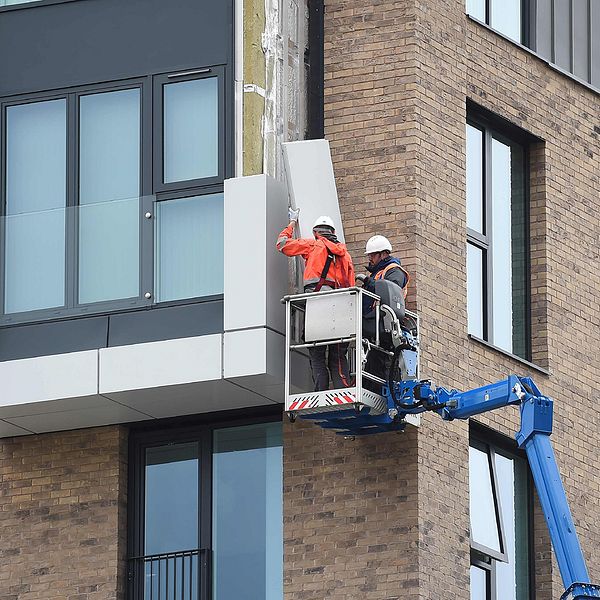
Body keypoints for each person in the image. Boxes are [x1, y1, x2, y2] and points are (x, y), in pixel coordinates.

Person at [276, 209, 355, 391]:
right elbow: (351, 288)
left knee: (317, 351)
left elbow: (282, 244)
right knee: (337, 355)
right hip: (340, 308)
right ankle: (342, 391)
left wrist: (292, 223)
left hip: (317, 306)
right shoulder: (346, 256)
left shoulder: (313, 245)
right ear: (333, 233)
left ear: (316, 233)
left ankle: (321, 392)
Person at [360, 235, 409, 392]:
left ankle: (381, 391)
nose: (370, 258)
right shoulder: (377, 272)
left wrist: (370, 283)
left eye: (372, 255)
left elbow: (390, 291)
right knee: (372, 362)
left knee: (381, 363)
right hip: (374, 322)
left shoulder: (394, 271)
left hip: (384, 322)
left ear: (383, 254)